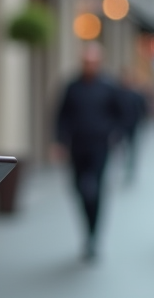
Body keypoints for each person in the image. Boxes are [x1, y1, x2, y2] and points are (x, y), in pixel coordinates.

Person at [53, 43, 125, 260]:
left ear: (99, 63)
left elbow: (121, 115)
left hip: (99, 146)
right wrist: (59, 141)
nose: (89, 65)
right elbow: (61, 115)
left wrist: (114, 134)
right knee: (78, 189)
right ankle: (87, 230)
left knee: (94, 189)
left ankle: (93, 236)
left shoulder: (109, 87)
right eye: (86, 62)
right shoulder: (72, 87)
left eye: (93, 62)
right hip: (77, 146)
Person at [118, 70, 149, 184]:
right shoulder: (118, 94)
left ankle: (130, 169)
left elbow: (142, 110)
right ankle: (122, 167)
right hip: (121, 127)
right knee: (121, 149)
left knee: (132, 149)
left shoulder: (136, 95)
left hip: (133, 126)